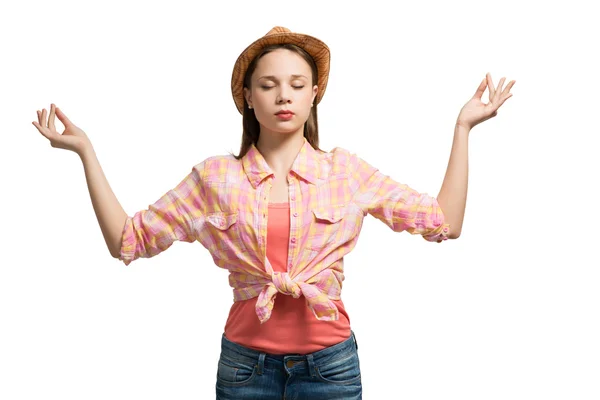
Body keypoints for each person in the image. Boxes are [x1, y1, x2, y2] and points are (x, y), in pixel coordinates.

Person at [32, 26, 515, 400]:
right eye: (269, 84)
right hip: (246, 370)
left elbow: (444, 223)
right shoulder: (214, 178)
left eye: (296, 84)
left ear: (313, 95)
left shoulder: (345, 172)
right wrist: (85, 152)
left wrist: (463, 128)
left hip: (331, 367)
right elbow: (128, 241)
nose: (283, 95)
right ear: (248, 96)